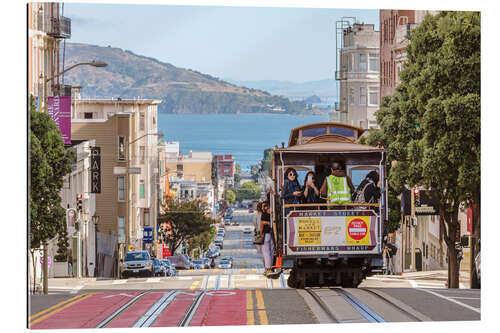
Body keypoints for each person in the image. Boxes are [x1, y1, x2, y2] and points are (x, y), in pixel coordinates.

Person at [260, 201, 274, 276]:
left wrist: (260, 233)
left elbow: (262, 224)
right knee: (271, 252)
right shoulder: (272, 214)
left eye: (264, 206)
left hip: (266, 234)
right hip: (272, 235)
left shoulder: (264, 214)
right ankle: (270, 268)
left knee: (266, 252)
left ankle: (268, 269)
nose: (262, 208)